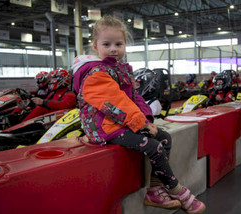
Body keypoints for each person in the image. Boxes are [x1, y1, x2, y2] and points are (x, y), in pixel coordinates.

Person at [71, 15, 205, 213]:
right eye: (106, 44)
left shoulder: (119, 70)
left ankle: (155, 189)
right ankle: (176, 189)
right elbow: (115, 103)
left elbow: (135, 98)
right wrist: (139, 124)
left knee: (164, 137)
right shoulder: (96, 72)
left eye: (119, 43)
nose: (113, 49)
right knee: (154, 147)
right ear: (95, 46)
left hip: (118, 122)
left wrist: (147, 119)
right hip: (102, 127)